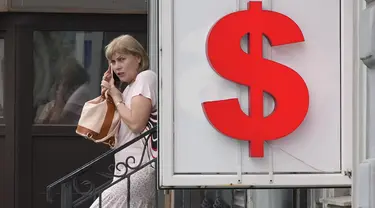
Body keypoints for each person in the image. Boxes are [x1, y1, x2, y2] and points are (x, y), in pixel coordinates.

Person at [90, 35, 157, 208]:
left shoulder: (145, 78)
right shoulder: (128, 89)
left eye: (121, 59)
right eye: (112, 62)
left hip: (139, 167)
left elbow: (136, 124)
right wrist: (109, 93)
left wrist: (116, 98)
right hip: (125, 168)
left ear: (138, 57)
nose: (117, 66)